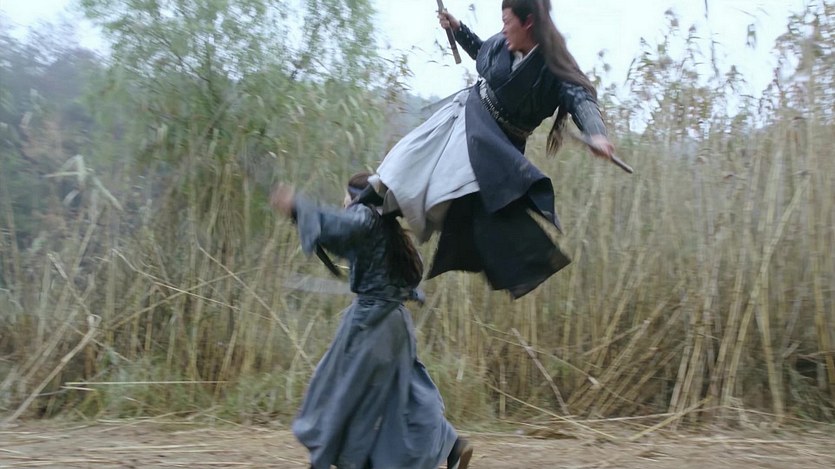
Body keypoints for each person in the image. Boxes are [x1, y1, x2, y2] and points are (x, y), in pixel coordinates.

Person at [366, 0, 616, 298]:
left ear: (528, 23)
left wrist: (597, 134)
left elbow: (581, 98)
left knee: (450, 198)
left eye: (507, 22)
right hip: (466, 117)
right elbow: (482, 52)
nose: (503, 29)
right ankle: (366, 206)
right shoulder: (502, 44)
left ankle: (397, 260)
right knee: (404, 162)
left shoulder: (554, 65)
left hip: (495, 146)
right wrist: (458, 29)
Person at [270, 172, 474, 469]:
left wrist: (296, 206)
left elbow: (338, 225)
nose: (343, 201)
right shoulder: (388, 228)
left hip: (372, 323)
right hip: (397, 325)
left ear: (358, 196)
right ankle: (452, 445)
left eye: (346, 195)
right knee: (403, 395)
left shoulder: (364, 217)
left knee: (340, 392)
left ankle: (332, 460)